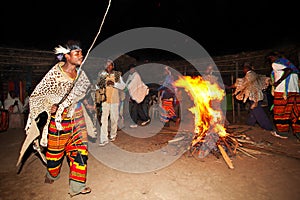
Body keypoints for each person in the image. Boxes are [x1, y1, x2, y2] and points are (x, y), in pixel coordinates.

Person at [16, 40, 96, 197]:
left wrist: (88, 104)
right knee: (54, 155)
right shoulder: (54, 74)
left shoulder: (81, 74)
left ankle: (77, 186)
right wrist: (50, 106)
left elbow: (84, 92)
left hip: (77, 117)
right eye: (76, 53)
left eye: (81, 52)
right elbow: (38, 96)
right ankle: (52, 173)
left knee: (80, 152)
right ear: (67, 56)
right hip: (59, 121)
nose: (81, 55)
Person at [229, 63, 282, 137]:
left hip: (255, 97)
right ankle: (250, 124)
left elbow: (242, 83)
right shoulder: (255, 75)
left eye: (244, 69)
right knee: (254, 111)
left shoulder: (250, 75)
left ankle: (268, 127)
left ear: (246, 69)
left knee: (259, 112)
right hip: (258, 96)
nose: (243, 70)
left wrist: (230, 87)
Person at [266, 51, 300, 139]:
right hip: (294, 91)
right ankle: (298, 131)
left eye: (270, 58)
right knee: (294, 111)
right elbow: (291, 70)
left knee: (280, 111)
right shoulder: (289, 64)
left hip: (283, 91)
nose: (270, 61)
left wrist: (278, 82)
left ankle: (282, 132)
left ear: (274, 57)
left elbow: (288, 71)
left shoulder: (276, 64)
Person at [96, 59, 126, 146]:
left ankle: (113, 135)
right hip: (105, 100)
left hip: (115, 101)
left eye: (110, 65)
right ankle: (104, 139)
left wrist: (114, 84)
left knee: (114, 119)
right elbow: (97, 86)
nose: (108, 67)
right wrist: (103, 84)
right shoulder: (102, 74)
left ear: (113, 66)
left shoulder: (117, 75)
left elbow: (123, 86)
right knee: (103, 120)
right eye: (107, 65)